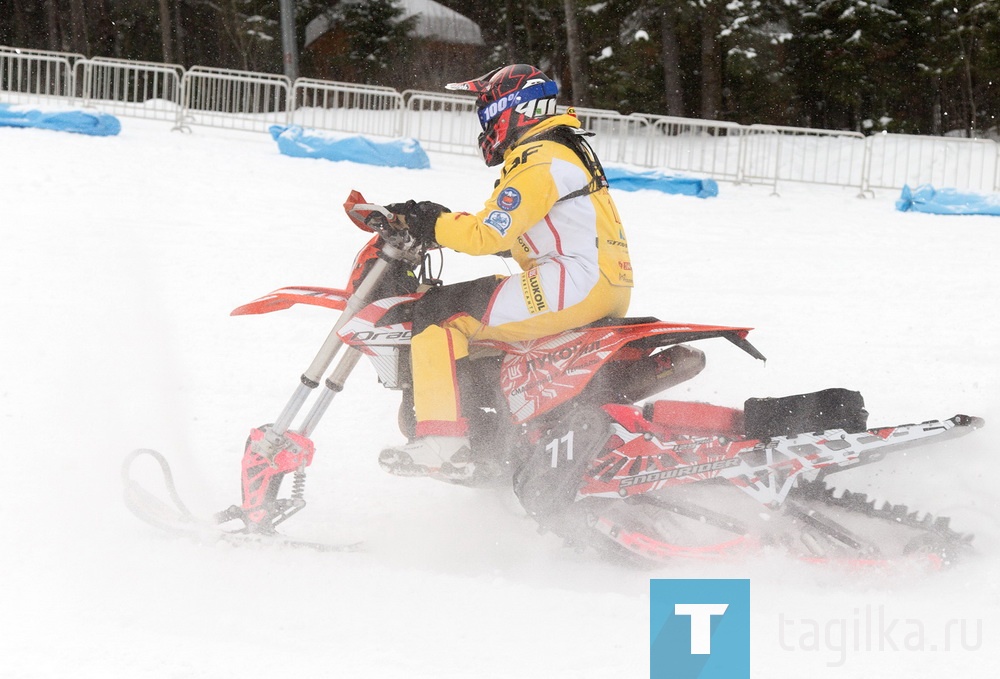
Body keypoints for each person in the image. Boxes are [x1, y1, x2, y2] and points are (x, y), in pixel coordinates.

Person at [380, 64, 633, 480]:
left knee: (438, 315)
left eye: (486, 112)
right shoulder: (553, 149)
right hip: (588, 281)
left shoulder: (541, 158)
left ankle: (443, 441)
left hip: (574, 283)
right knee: (473, 324)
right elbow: (503, 236)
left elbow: (486, 234)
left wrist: (432, 222)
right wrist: (440, 224)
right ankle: (495, 440)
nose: (484, 123)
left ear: (510, 109)